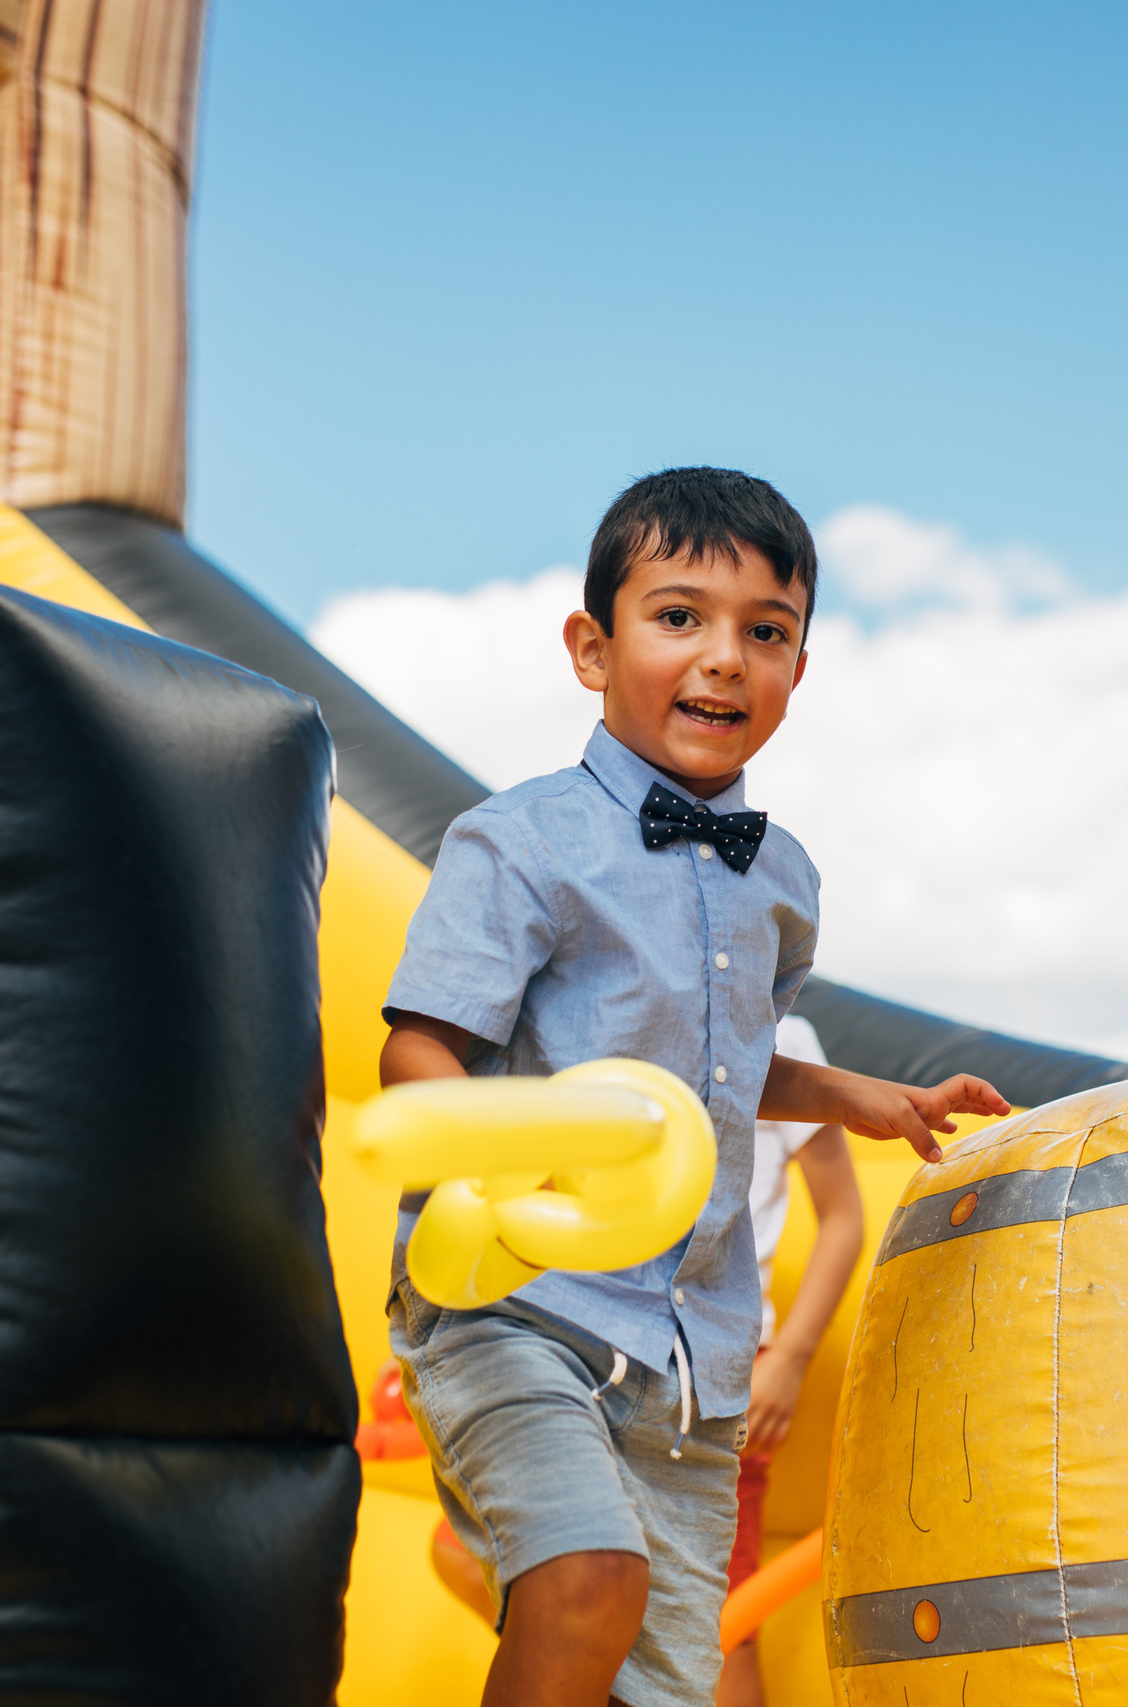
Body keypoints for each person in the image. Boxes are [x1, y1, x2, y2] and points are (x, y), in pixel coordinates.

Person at [378, 467, 1008, 1707]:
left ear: (797, 671)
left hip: (691, 1358)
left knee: (664, 1682)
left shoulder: (783, 879)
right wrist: (508, 1173)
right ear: (591, 648)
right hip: (519, 1306)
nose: (723, 659)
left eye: (763, 634)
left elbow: (719, 1066)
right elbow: (419, 1051)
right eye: (679, 619)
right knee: (586, 1578)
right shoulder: (520, 842)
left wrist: (866, 1100)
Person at [716, 1013, 861, 1707]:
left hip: (727, 1364)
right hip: (614, 1351)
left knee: (723, 1616)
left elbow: (844, 1215)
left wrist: (791, 1358)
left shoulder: (780, 1034)